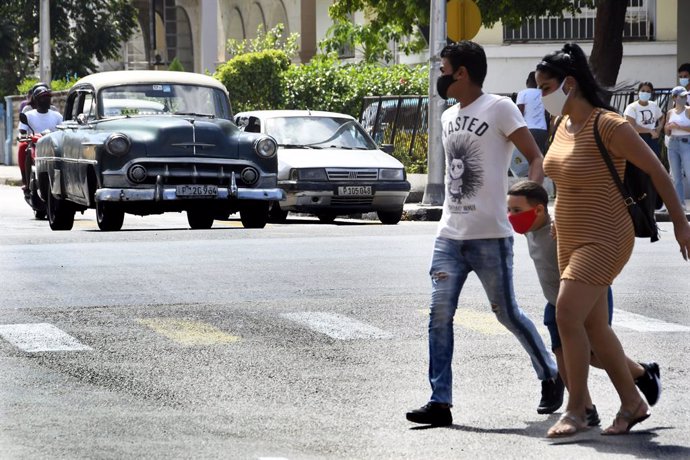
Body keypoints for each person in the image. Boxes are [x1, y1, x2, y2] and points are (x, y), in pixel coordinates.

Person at [534, 42, 690, 437]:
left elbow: (658, 172)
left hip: (606, 236)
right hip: (568, 236)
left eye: (545, 87)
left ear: (569, 84)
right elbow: (564, 180)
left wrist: (680, 223)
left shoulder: (610, 125)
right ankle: (633, 401)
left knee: (566, 314)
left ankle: (577, 409)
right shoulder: (560, 125)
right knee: (593, 326)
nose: (541, 96)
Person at [405, 41, 563, 428]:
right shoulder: (446, 117)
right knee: (439, 314)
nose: (440, 76)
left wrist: (531, 199)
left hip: (491, 234)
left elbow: (535, 157)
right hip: (449, 236)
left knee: (506, 313)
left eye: (443, 69)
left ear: (461, 73)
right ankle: (440, 401)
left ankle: (550, 374)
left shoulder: (500, 108)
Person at [506, 180, 662, 428]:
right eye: (509, 210)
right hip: (554, 301)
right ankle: (585, 408)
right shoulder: (528, 227)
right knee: (561, 354)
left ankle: (643, 373)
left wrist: (564, 223)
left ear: (539, 210)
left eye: (517, 210)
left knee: (593, 355)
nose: (511, 216)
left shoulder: (558, 228)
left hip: (585, 295)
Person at [17, 86, 63, 192]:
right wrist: (25, 136)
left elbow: (63, 130)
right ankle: (27, 183)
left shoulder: (57, 115)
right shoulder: (28, 115)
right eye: (43, 97)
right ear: (36, 100)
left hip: (52, 146)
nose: (46, 100)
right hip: (34, 145)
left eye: (48, 97)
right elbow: (22, 131)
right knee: (26, 150)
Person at [510, 71, 549, 178]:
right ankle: (539, 179)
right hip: (542, 131)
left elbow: (519, 112)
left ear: (527, 82)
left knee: (524, 156)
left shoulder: (523, 93)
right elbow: (547, 113)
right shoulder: (543, 93)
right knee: (538, 157)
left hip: (528, 130)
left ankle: (526, 178)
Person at [664, 86, 690, 211]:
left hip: (686, 142)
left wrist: (678, 126)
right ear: (674, 98)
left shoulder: (689, 110)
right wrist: (668, 127)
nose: (684, 98)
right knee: (676, 175)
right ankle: (680, 204)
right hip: (673, 143)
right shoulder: (670, 112)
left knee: (689, 173)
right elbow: (667, 132)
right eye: (682, 96)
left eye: (685, 96)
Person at [624, 82, 663, 158]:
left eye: (648, 91)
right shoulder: (632, 107)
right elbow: (632, 126)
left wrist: (659, 128)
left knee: (654, 161)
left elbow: (662, 117)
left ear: (651, 93)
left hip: (652, 138)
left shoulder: (653, 105)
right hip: (637, 137)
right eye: (643, 90)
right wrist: (649, 130)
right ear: (638, 92)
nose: (645, 93)